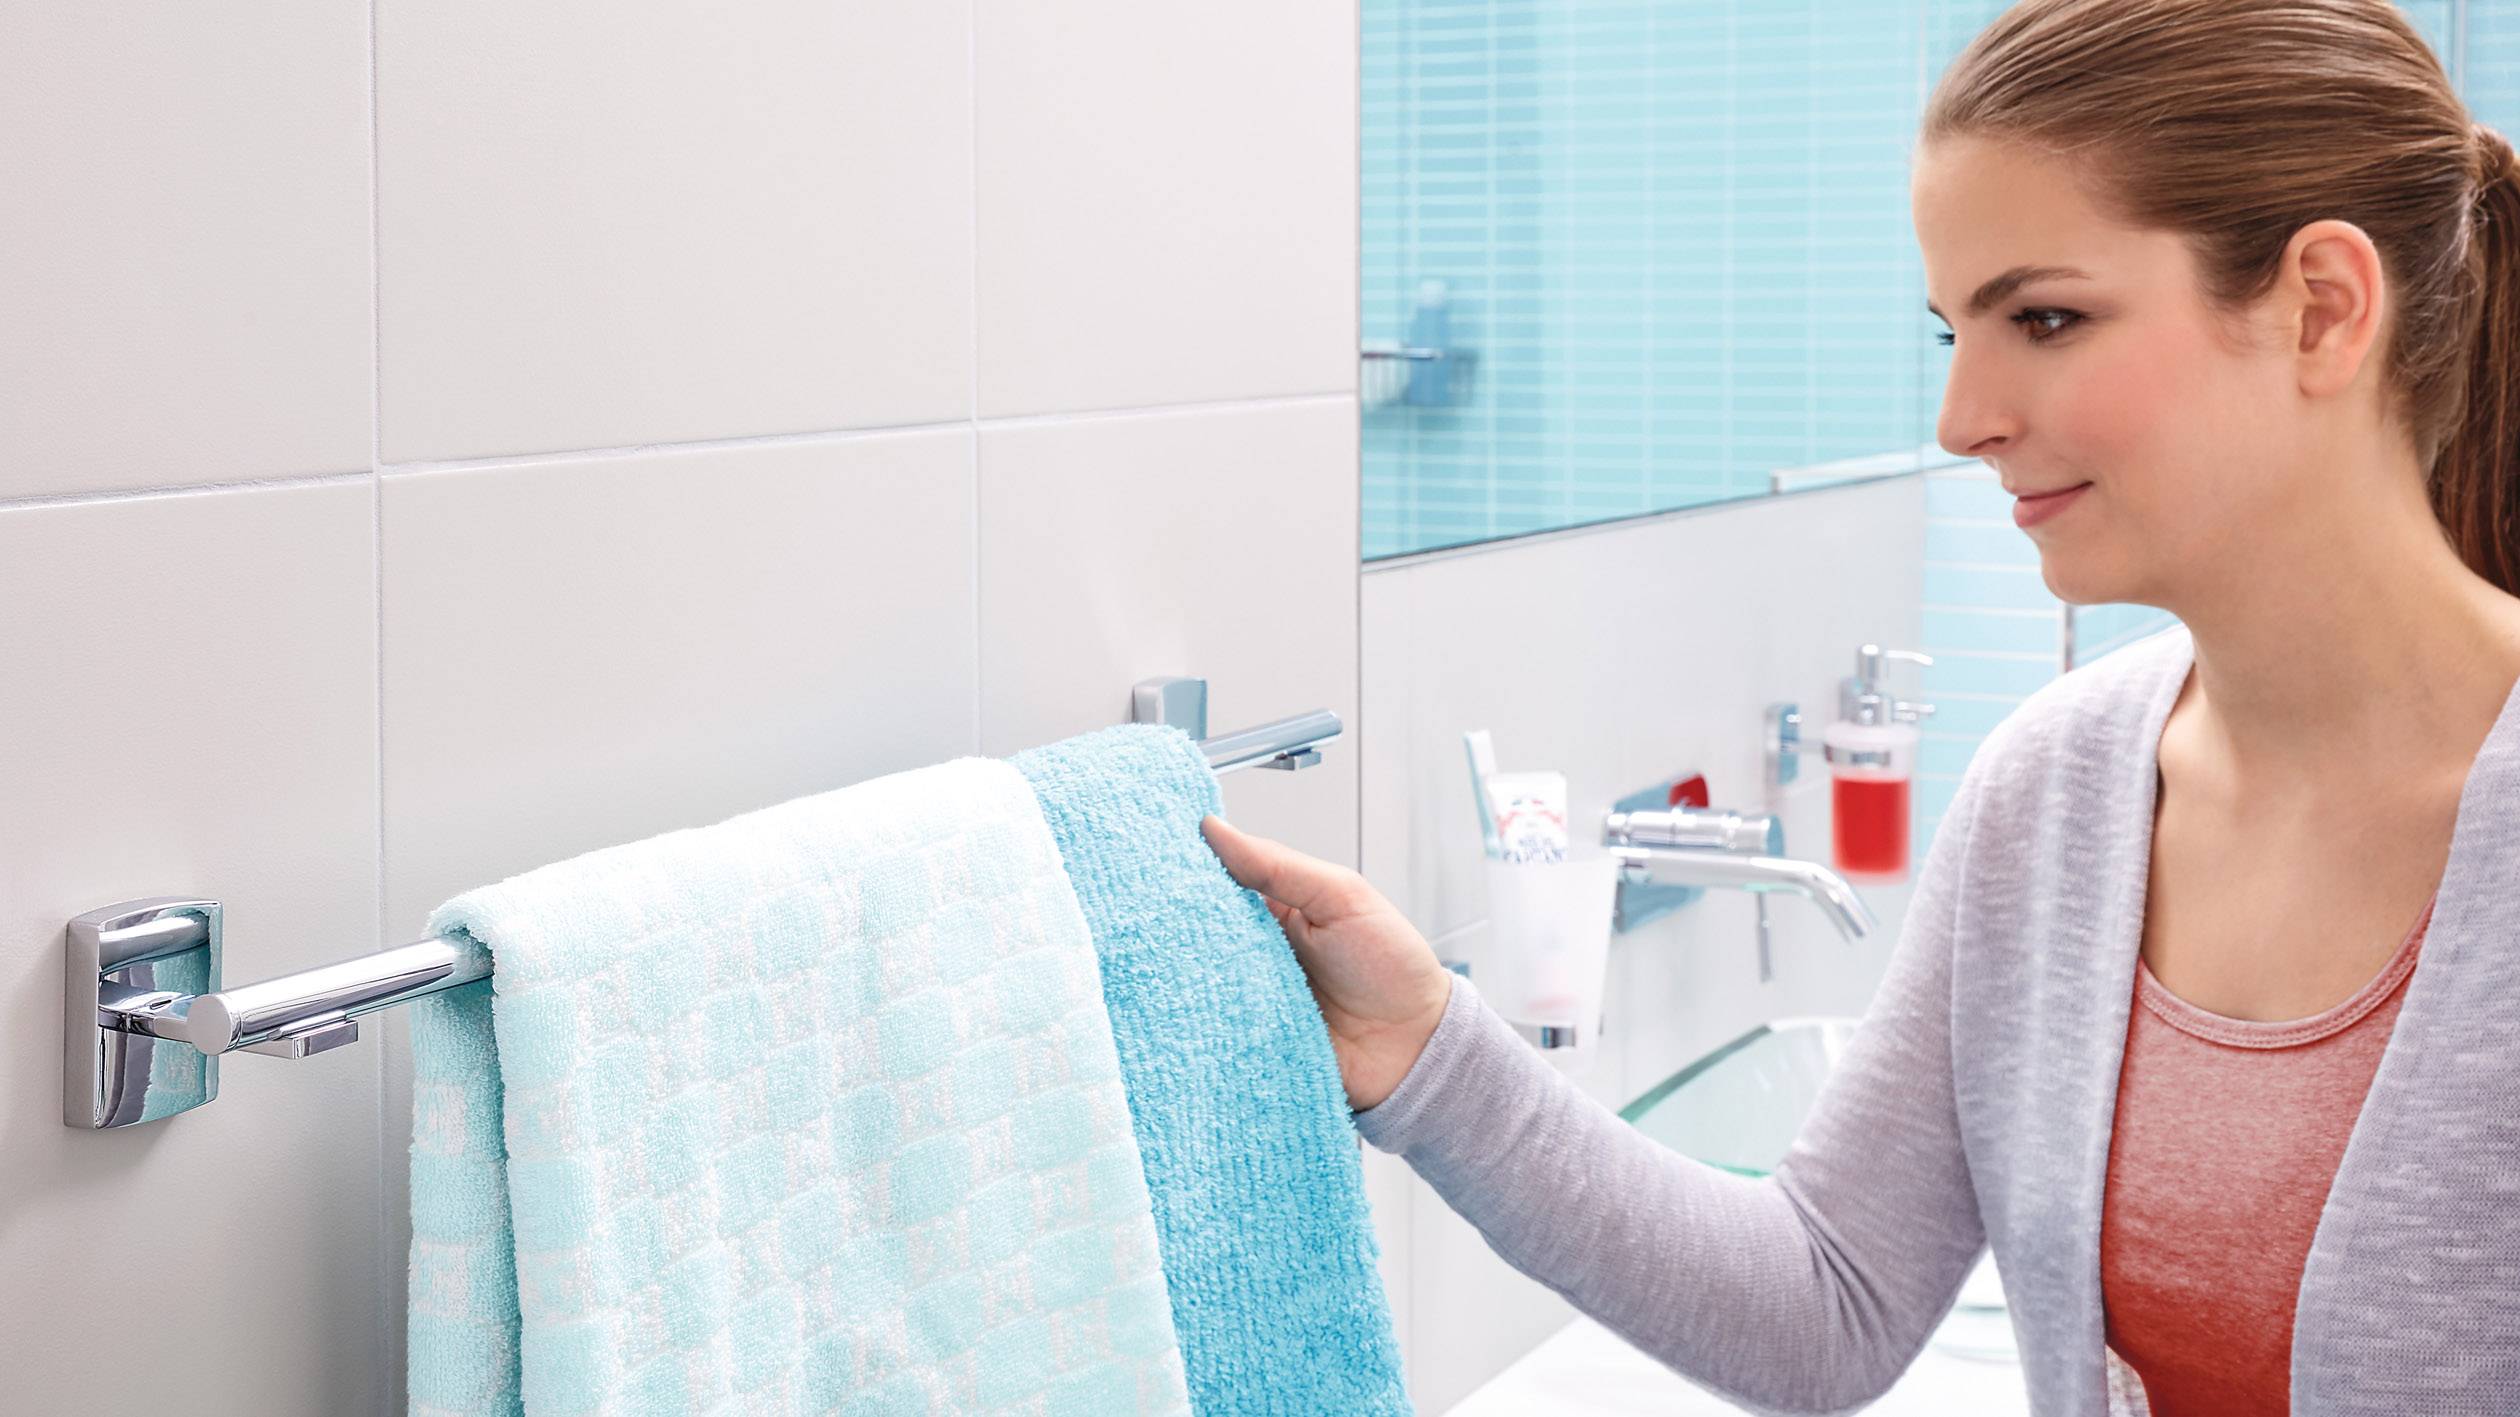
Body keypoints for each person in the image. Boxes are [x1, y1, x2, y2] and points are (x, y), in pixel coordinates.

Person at [1201, 2, 2520, 1412]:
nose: (1962, 414)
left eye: (2047, 318)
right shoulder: (2057, 792)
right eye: (1956, 328)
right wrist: (1423, 1048)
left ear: (2322, 306)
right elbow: (1826, 1297)